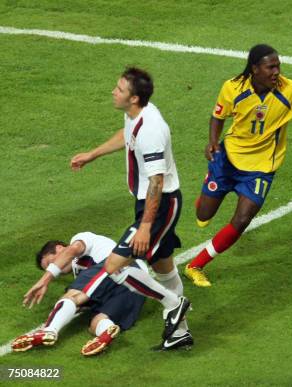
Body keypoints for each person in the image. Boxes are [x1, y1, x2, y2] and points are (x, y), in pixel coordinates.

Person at [184, 44, 292, 287]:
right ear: (255, 69)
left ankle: (195, 265)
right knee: (203, 215)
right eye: (271, 67)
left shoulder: (291, 90)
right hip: (228, 159)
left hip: (262, 167)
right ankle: (209, 189)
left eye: (278, 66)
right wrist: (212, 143)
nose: (276, 71)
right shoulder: (233, 88)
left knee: (243, 219)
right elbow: (218, 116)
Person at [68, 67, 191, 348]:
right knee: (164, 268)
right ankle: (180, 333)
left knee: (114, 266)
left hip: (159, 205)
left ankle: (173, 304)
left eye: (120, 89)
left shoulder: (151, 130)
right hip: (153, 202)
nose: (114, 91)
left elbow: (157, 182)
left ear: (134, 98)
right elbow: (126, 136)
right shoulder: (136, 116)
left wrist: (146, 226)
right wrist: (93, 154)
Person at [13, 232, 149, 356]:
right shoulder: (80, 271)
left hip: (118, 263)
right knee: (96, 322)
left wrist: (45, 279)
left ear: (60, 248)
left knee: (71, 296)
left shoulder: (81, 240)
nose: (55, 270)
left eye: (50, 263)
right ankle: (106, 330)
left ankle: (49, 330)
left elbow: (73, 249)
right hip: (139, 284)